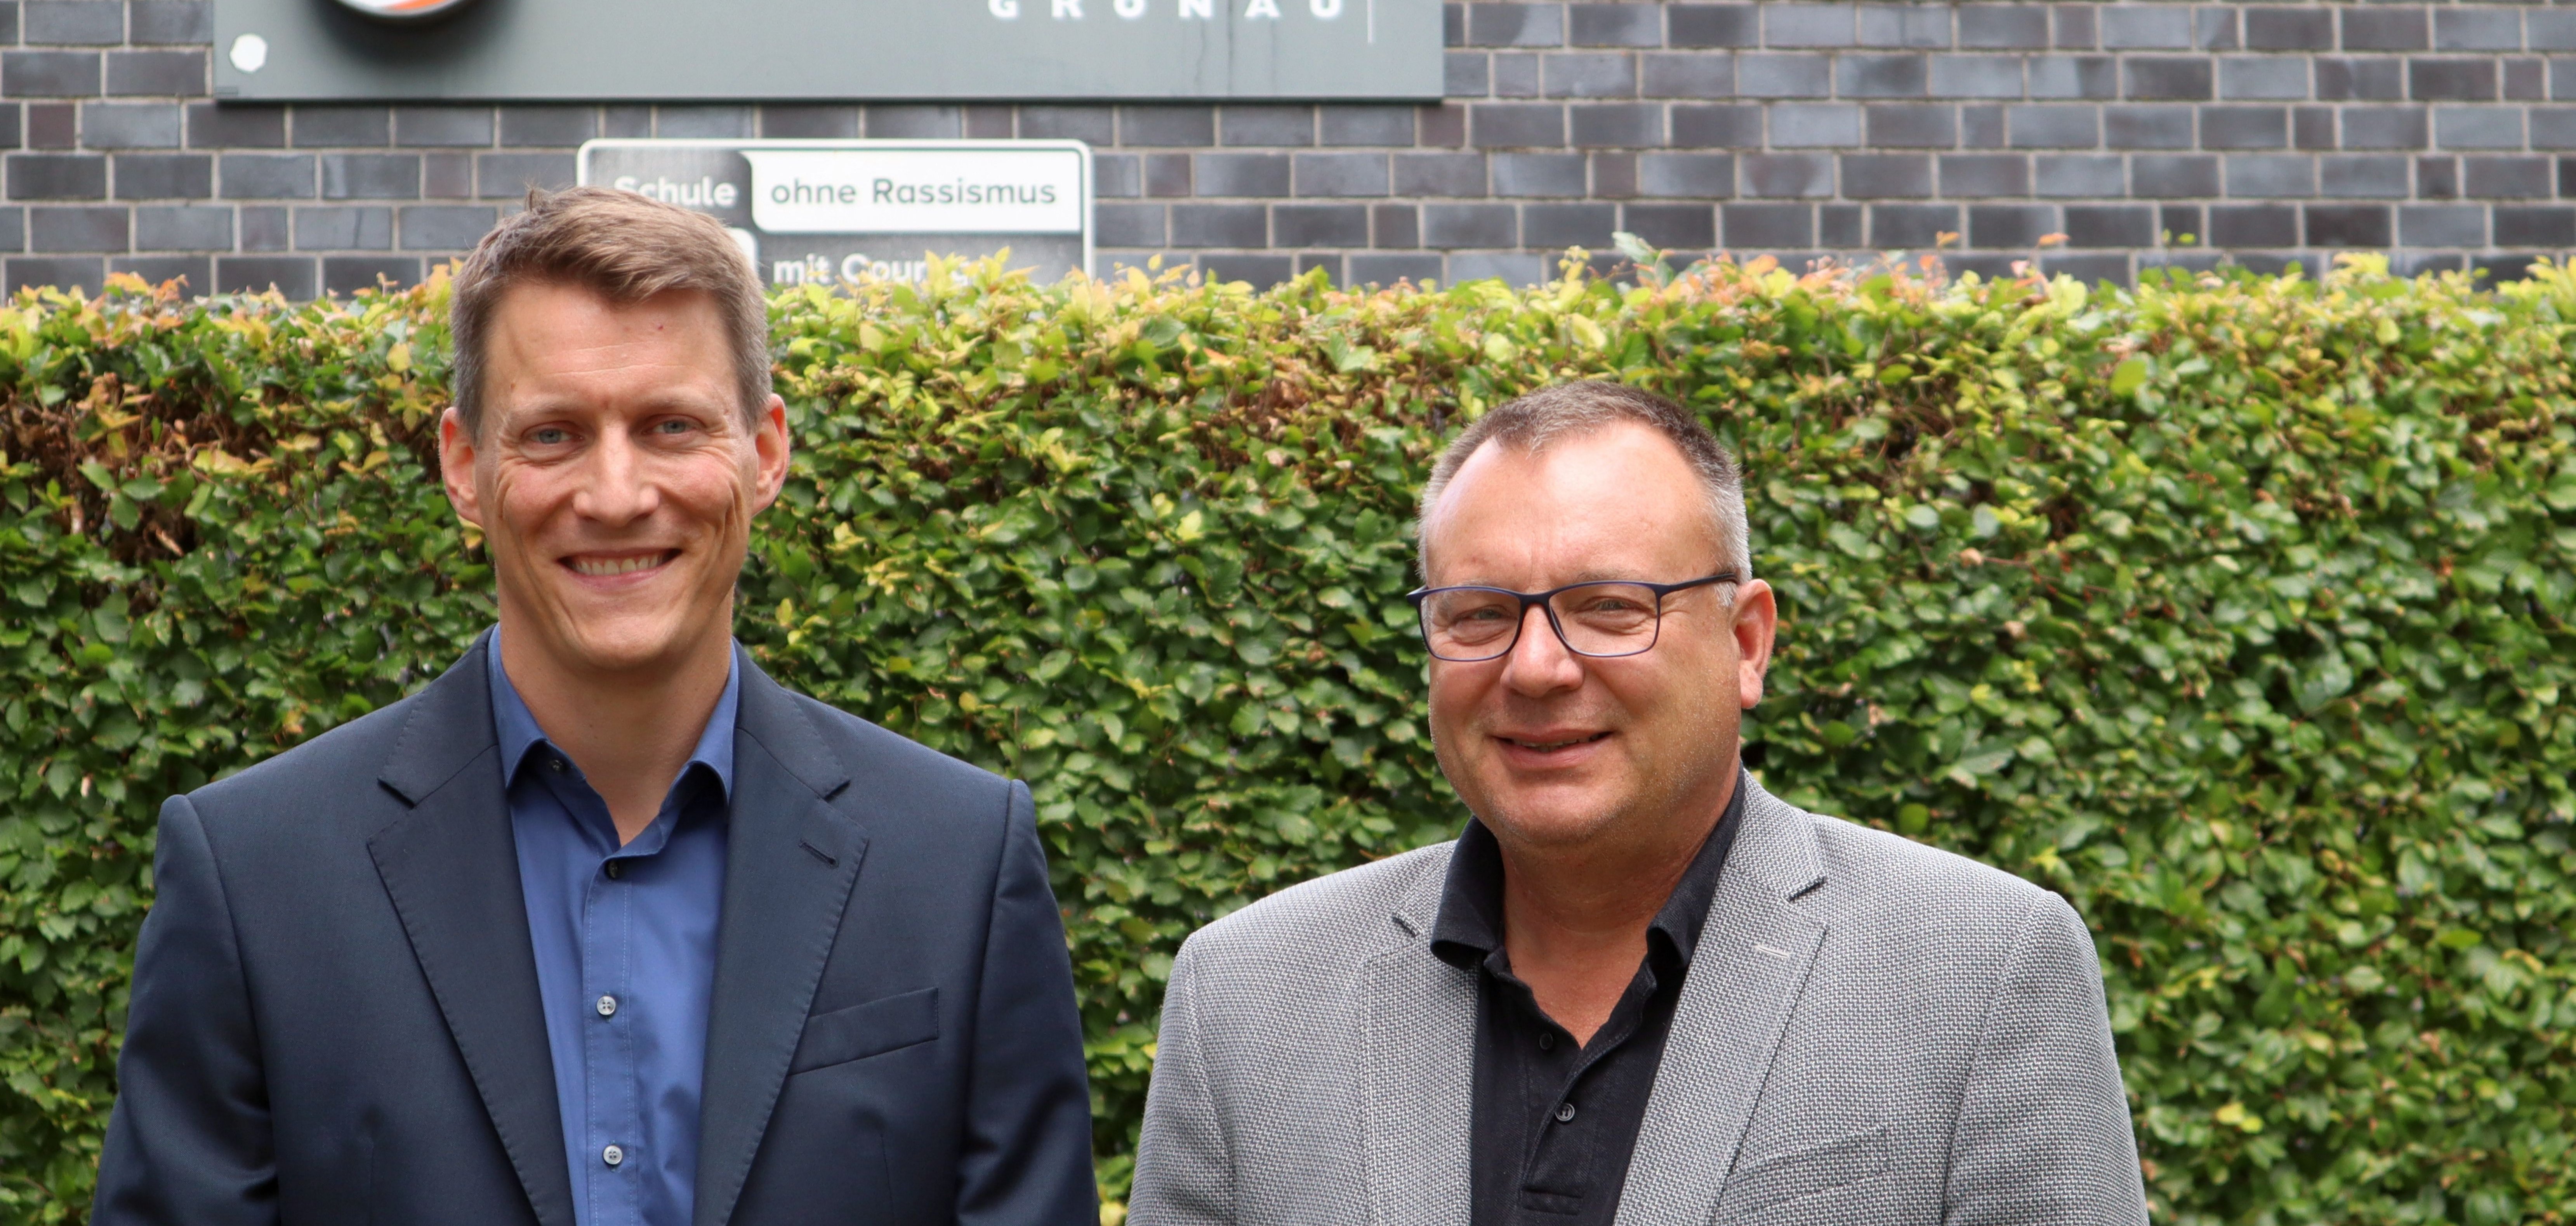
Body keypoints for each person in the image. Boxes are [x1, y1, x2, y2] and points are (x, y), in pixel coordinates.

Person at [92, 187, 1098, 1226]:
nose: (616, 495)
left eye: (672, 426)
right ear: (464, 467)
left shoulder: (958, 864)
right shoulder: (256, 875)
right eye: (554, 434)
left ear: (764, 453)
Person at [1129, 381, 2146, 1225]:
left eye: (1609, 609)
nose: (1536, 668)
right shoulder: (1245, 998)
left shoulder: (1982, 971)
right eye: (1478, 615)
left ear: (1745, 643)